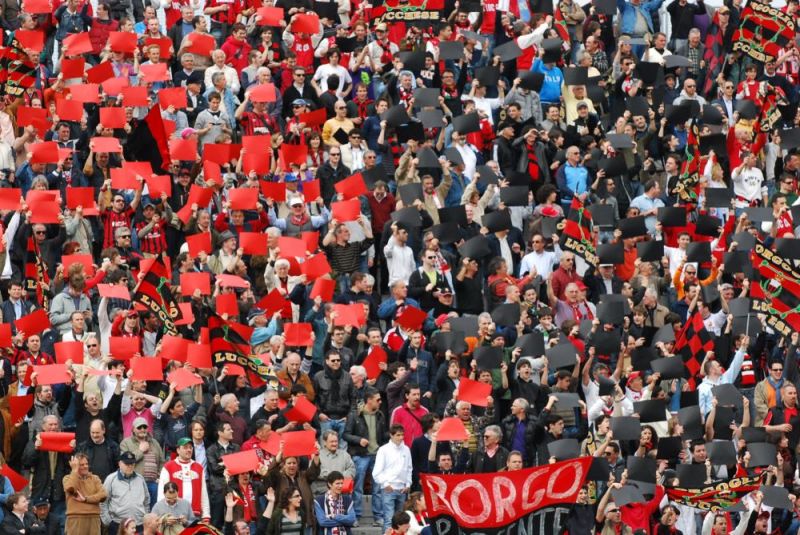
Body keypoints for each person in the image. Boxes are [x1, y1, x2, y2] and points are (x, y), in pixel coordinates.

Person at [373, 424, 413, 532]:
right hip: (389, 489)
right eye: (398, 435)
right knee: (389, 520)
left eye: (402, 435)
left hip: (402, 489)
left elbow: (409, 468)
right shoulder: (383, 450)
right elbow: (376, 472)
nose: (401, 437)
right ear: (391, 435)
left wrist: (408, 484)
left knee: (401, 522)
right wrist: (386, 484)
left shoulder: (406, 449)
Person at [100, 452, 150, 533]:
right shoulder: (111, 479)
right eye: (127, 464)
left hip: (138, 524)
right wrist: (108, 522)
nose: (130, 466)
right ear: (120, 464)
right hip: (118, 524)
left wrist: (144, 517)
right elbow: (103, 502)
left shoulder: (140, 479)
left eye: (132, 464)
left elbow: (146, 500)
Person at [63, 453, 108, 535]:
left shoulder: (95, 478)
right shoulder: (67, 478)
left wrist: (86, 499)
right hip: (76, 518)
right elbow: (71, 488)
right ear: (75, 466)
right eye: (81, 465)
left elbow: (103, 495)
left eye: (86, 464)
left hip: (94, 518)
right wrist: (74, 471)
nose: (86, 466)